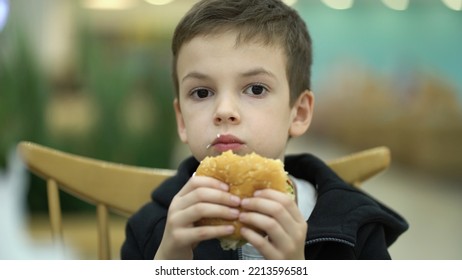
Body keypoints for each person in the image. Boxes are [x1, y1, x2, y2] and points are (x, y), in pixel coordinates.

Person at [121, 0, 408, 260]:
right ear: (182, 120)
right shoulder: (151, 228)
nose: (224, 111)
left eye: (256, 89)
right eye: (201, 92)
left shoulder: (355, 229)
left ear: (299, 113)